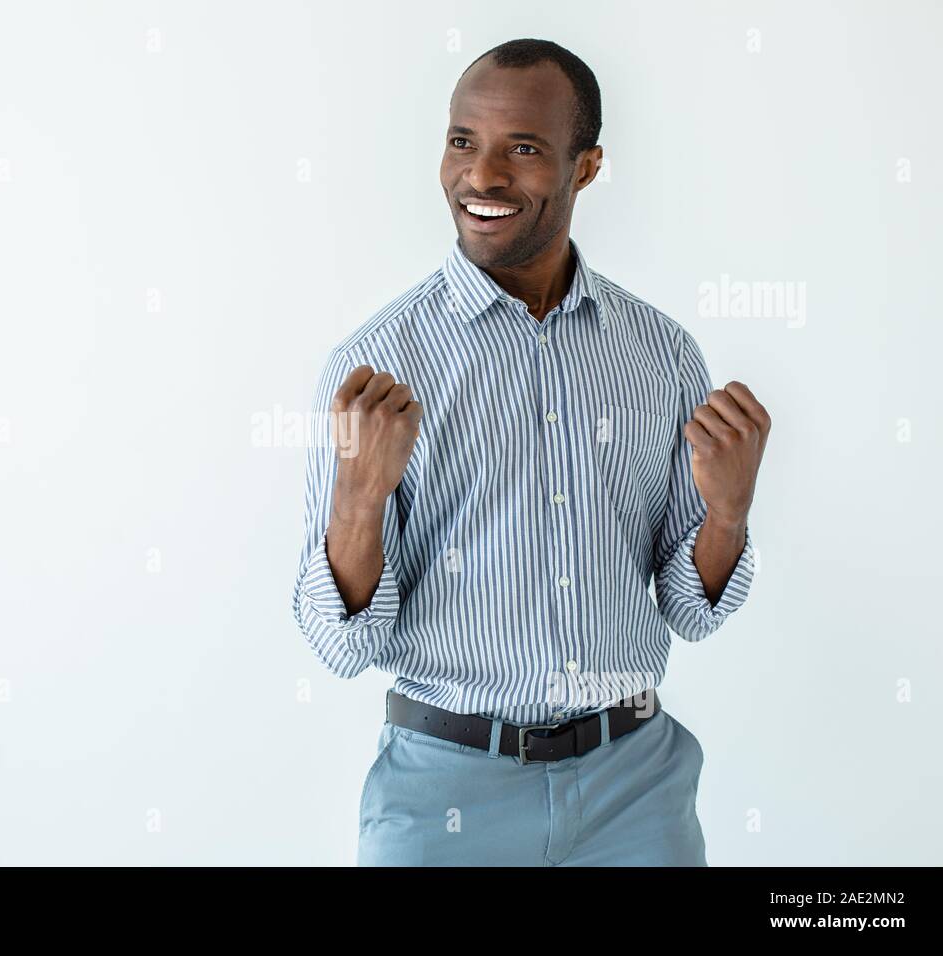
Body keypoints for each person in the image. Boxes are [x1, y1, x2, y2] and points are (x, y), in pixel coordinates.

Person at [290, 38, 771, 866]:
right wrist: (358, 504)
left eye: (523, 149)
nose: (481, 178)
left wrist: (728, 514)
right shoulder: (376, 367)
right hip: (444, 796)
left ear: (585, 169)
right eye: (462, 142)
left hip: (637, 792)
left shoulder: (661, 354)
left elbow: (691, 613)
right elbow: (339, 647)